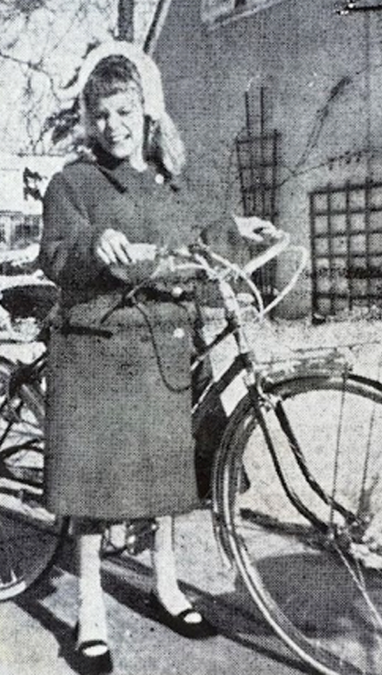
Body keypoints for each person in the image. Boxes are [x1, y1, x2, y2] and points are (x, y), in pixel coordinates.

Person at [37, 42, 279, 674]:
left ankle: (166, 586)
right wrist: (97, 242)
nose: (113, 126)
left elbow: (194, 243)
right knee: (97, 488)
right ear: (89, 121)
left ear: (145, 111)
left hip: (168, 345)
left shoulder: (170, 181)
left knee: (171, 479)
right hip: (101, 350)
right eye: (101, 115)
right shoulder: (74, 183)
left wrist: (236, 231)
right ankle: (91, 610)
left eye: (124, 111)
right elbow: (57, 254)